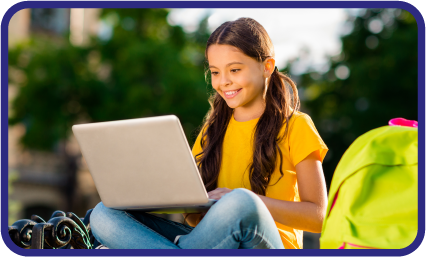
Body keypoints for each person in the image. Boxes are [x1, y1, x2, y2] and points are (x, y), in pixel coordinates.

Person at [90, 17, 328, 249]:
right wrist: (194, 203)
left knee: (242, 203)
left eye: (234, 70)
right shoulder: (211, 131)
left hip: (267, 244)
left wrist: (241, 200)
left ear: (267, 67)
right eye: (215, 72)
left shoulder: (296, 125)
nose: (223, 81)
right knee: (103, 214)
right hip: (211, 243)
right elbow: (194, 219)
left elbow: (318, 216)